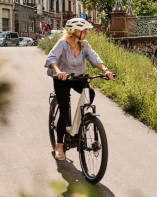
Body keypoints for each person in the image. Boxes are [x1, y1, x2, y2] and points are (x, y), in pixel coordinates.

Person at [44, 18, 114, 160]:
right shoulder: (62, 44)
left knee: (90, 93)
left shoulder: (84, 45)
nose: (86, 33)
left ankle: (79, 124)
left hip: (77, 78)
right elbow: (51, 59)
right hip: (62, 79)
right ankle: (59, 145)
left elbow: (94, 58)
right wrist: (58, 71)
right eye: (84, 31)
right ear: (75, 32)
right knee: (64, 110)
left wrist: (105, 70)